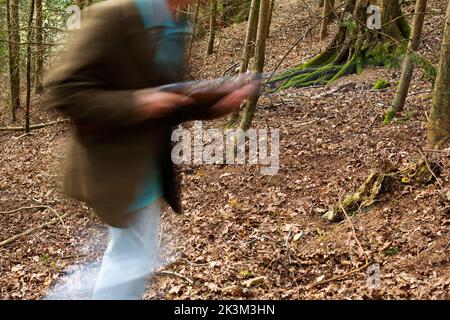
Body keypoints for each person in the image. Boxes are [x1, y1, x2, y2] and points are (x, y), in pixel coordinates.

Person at [50, 0, 256, 300]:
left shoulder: (176, 25)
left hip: (149, 170)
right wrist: (138, 103)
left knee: (134, 257)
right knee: (130, 260)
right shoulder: (113, 15)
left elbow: (172, 98)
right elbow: (65, 92)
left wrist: (218, 104)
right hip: (113, 169)